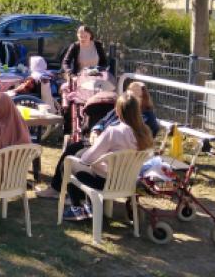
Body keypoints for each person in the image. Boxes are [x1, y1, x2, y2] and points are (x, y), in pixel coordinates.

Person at [37, 81, 159, 199]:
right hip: (125, 177)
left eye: (135, 95)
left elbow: (87, 159)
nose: (130, 97)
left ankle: (78, 202)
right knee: (73, 149)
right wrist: (96, 130)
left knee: (71, 162)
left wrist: (100, 145)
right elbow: (103, 121)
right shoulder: (144, 131)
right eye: (128, 93)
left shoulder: (123, 126)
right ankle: (60, 190)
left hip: (107, 167)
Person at [61, 92, 153, 221]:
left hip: (105, 183)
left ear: (118, 111)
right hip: (129, 183)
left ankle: (77, 207)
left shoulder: (113, 131)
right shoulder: (145, 132)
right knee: (82, 158)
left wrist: (97, 144)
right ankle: (88, 206)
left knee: (67, 164)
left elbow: (87, 159)